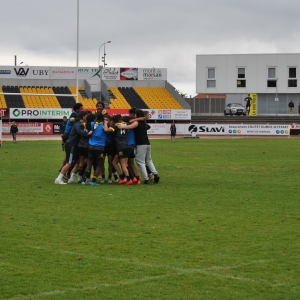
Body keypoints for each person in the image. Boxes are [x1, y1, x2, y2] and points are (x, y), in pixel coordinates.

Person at [120, 109, 160, 184]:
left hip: (140, 143)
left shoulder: (136, 122)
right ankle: (155, 174)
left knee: (140, 161)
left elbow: (130, 126)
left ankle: (146, 179)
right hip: (147, 143)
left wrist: (121, 127)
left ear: (136, 115)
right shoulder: (144, 123)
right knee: (148, 160)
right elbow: (144, 120)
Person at [54, 111, 93, 185]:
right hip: (71, 145)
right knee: (69, 163)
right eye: (86, 116)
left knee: (78, 162)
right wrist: (87, 133)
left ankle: (72, 178)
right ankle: (59, 179)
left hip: (74, 145)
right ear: (83, 116)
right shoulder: (77, 124)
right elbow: (80, 131)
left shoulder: (78, 123)